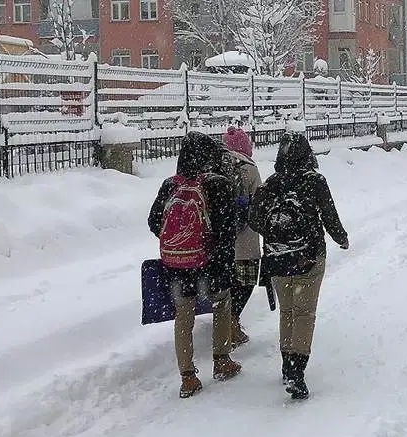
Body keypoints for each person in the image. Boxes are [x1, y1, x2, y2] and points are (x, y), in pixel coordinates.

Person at [249, 132, 349, 400]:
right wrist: (341, 238)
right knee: (304, 314)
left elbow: (254, 219)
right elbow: (329, 216)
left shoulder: (271, 184)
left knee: (288, 312)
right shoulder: (315, 181)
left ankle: (286, 364)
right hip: (308, 256)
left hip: (277, 258)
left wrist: (275, 232)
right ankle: (297, 370)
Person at [147, 131, 241, 399]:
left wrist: (180, 240)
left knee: (183, 316)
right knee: (222, 305)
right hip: (213, 262)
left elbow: (154, 221)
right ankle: (222, 360)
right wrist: (214, 249)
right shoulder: (218, 184)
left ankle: (187, 376)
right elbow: (228, 227)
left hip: (178, 264)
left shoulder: (170, 185)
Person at [222, 126, 263, 347]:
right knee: (245, 283)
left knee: (226, 284)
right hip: (245, 240)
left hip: (221, 239)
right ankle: (232, 321)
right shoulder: (250, 169)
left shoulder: (216, 166)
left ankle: (224, 322)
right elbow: (260, 203)